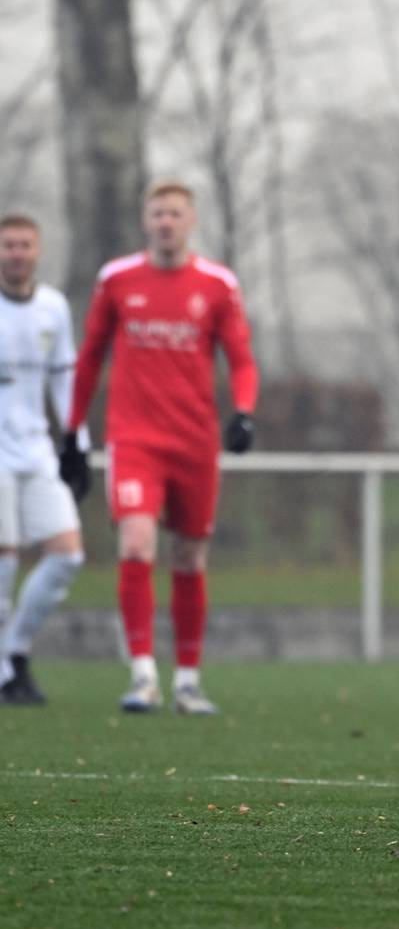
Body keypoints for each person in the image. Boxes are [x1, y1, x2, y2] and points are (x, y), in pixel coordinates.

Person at [62, 181, 258, 715]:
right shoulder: (117, 280)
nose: (166, 222)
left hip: (194, 442)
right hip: (134, 440)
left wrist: (243, 410)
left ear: (190, 220)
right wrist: (72, 429)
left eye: (175, 213)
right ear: (146, 220)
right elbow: (89, 358)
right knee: (136, 545)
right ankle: (144, 675)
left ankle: (188, 680)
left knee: (190, 556)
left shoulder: (216, 284)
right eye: (158, 213)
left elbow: (241, 358)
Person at [0, 214, 87, 704]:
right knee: (4, 563)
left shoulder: (53, 307)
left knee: (67, 555)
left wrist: (76, 440)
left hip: (35, 450)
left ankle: (15, 652)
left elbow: (64, 378)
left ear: (38, 251)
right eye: (8, 245)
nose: (16, 254)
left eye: (24, 246)